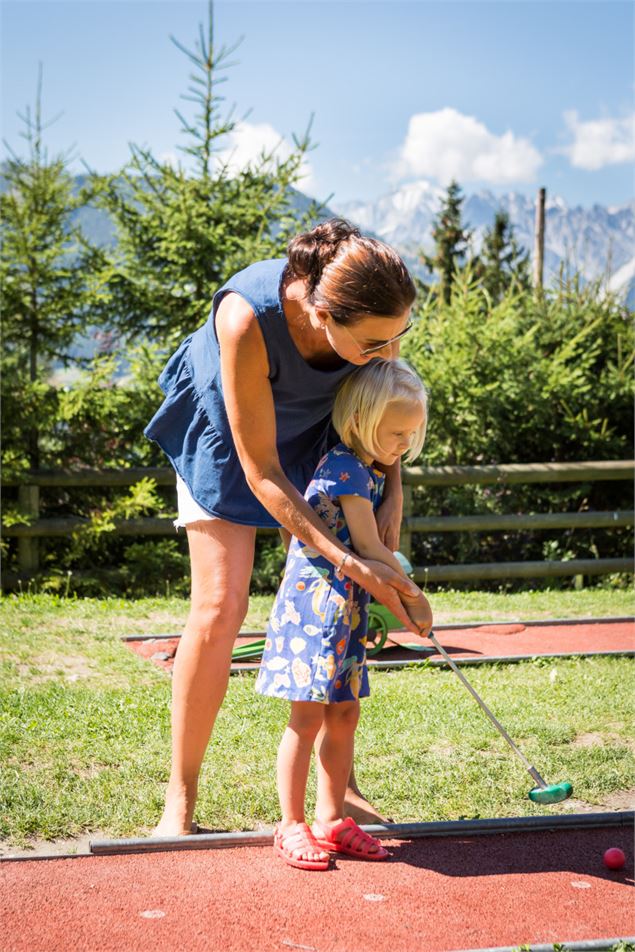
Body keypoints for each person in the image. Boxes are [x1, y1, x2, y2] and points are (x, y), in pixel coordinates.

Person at [144, 218, 423, 838]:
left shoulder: (373, 321)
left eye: (399, 334)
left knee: (337, 605)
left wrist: (391, 497)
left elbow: (377, 410)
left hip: (324, 434)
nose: (391, 350)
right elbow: (263, 470)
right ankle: (180, 798)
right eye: (377, 343)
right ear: (323, 315)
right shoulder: (247, 317)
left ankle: (339, 792)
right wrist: (351, 562)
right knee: (220, 607)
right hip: (230, 436)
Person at [255, 359, 433, 869]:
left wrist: (398, 594)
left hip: (347, 609)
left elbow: (371, 554)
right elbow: (369, 545)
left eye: (410, 434)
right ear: (361, 420)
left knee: (345, 714)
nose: (402, 445)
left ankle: (331, 818)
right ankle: (290, 824)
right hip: (316, 609)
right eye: (395, 432)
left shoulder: (370, 467)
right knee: (306, 717)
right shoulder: (346, 467)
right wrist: (414, 599)